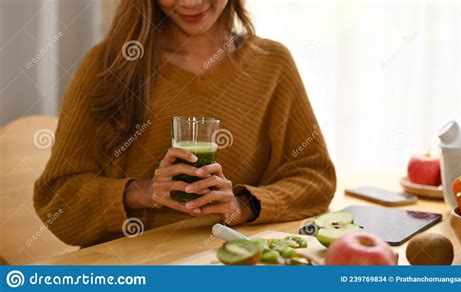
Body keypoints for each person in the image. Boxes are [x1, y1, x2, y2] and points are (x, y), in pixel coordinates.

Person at [34, 0, 336, 247]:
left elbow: (315, 178)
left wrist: (241, 206)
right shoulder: (108, 65)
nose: (191, 2)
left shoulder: (273, 64)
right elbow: (57, 199)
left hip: (229, 262)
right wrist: (145, 191)